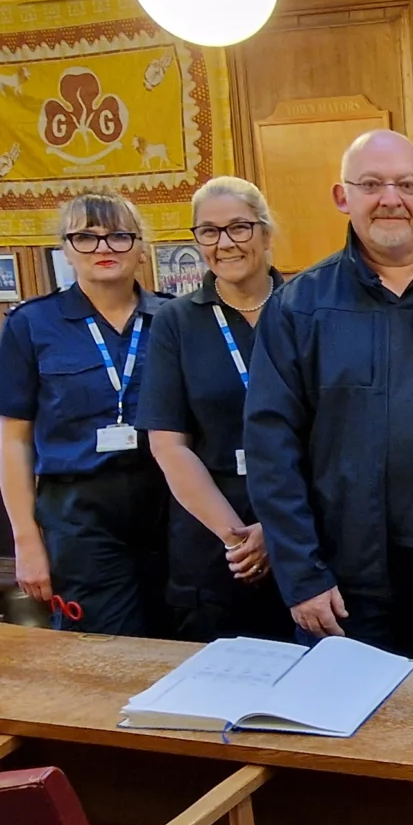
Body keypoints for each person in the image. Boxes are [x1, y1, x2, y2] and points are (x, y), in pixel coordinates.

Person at [245, 131, 413, 659]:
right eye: (371, 184)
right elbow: (272, 452)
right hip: (343, 582)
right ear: (343, 197)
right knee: (351, 735)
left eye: (407, 185)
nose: (391, 198)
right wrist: (303, 574)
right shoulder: (299, 307)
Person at [0, 193, 168, 636]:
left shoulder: (173, 319)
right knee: (107, 649)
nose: (104, 249)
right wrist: (25, 542)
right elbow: (14, 441)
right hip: (79, 514)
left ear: (142, 247)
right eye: (87, 237)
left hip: (168, 507)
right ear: (65, 250)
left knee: (180, 638)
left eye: (119, 237)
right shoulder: (31, 324)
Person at [136, 177, 292, 642]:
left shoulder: (307, 309)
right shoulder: (175, 322)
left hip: (300, 526)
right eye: (209, 232)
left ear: (265, 233)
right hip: (212, 537)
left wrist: (276, 527)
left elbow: (335, 434)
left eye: (240, 228)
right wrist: (238, 539)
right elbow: (168, 445)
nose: (225, 243)